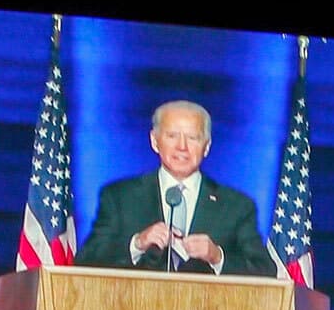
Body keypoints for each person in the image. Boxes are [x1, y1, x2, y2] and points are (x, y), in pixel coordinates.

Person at [74, 101, 278, 277]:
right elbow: (86, 261)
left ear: (206, 147)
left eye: (193, 138)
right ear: (155, 141)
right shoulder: (119, 197)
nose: (182, 147)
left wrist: (217, 257)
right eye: (172, 136)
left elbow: (265, 271)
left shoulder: (236, 206)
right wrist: (137, 244)